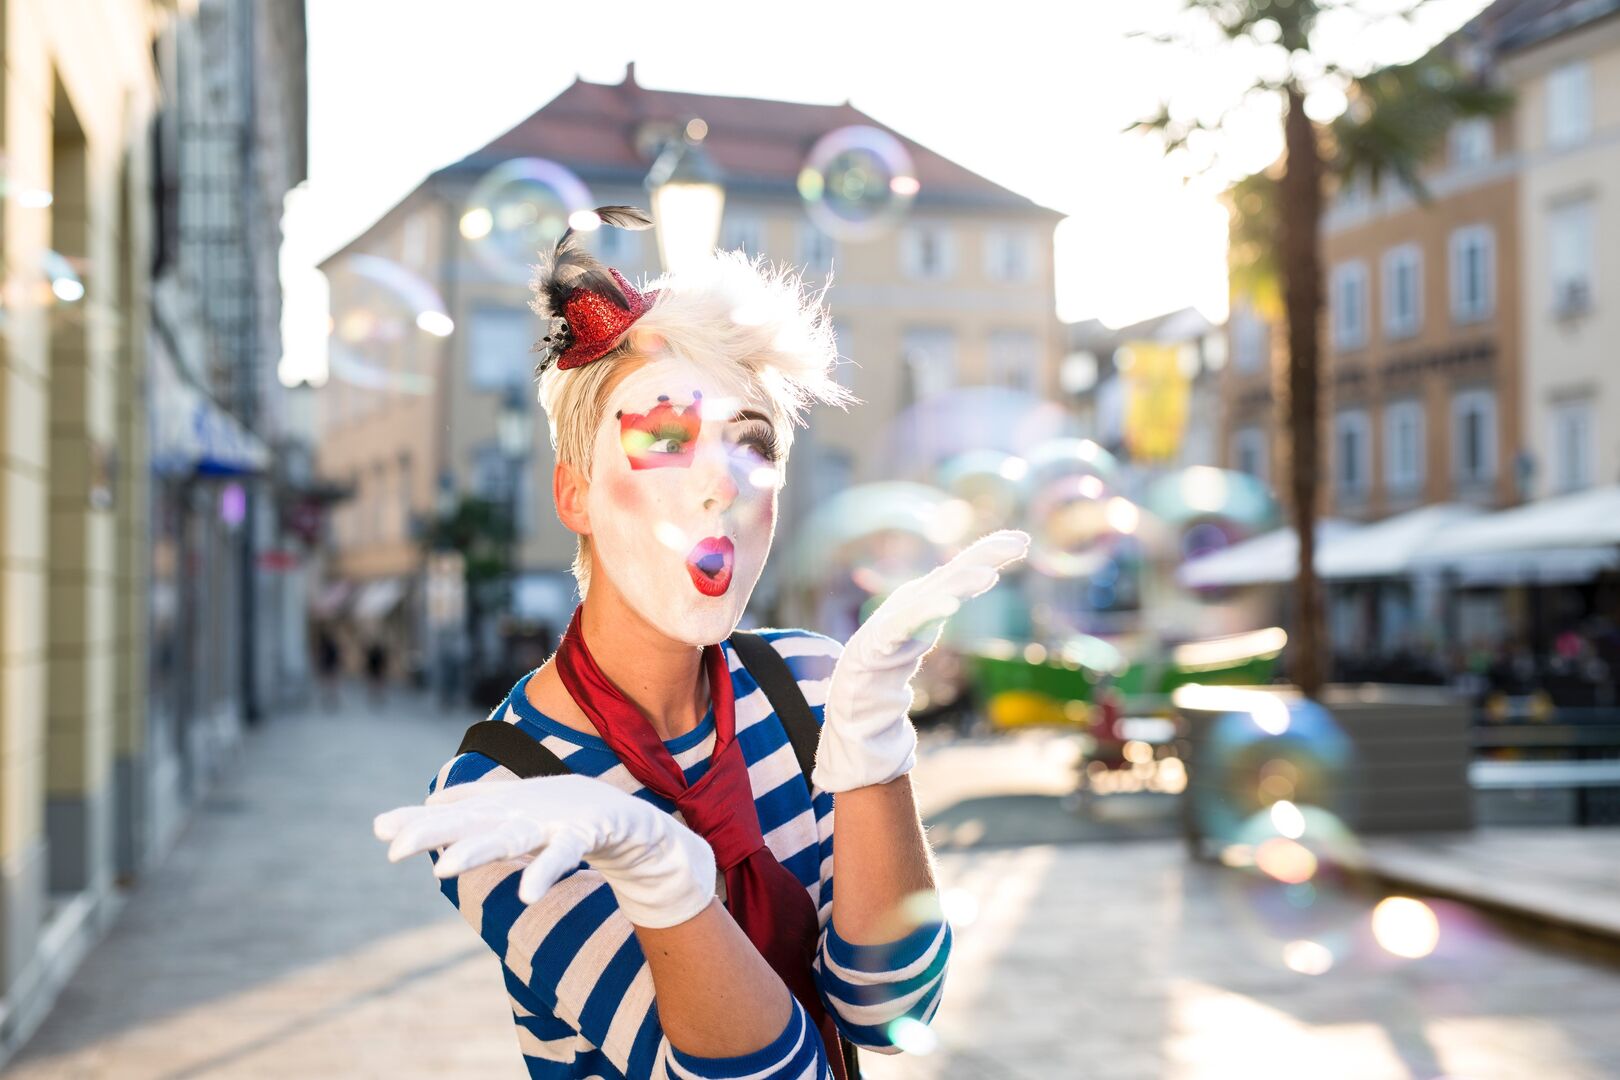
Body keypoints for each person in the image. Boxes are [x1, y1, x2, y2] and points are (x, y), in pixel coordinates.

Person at [374, 207, 1028, 1079]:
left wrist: (874, 749)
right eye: (665, 439)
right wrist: (663, 886)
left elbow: (894, 1010)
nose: (722, 483)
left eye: (751, 445)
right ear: (575, 496)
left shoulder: (814, 685)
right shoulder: (499, 793)